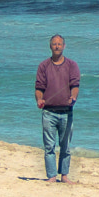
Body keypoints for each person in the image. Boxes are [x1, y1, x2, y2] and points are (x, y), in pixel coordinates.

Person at [35, 35, 80, 182]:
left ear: (64, 46)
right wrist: (39, 99)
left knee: (65, 146)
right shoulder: (43, 66)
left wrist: (73, 98)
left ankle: (64, 175)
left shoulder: (72, 65)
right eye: (54, 44)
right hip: (49, 112)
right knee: (49, 146)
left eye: (59, 44)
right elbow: (39, 87)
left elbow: (75, 86)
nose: (57, 46)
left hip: (67, 112)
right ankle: (52, 176)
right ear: (50, 47)